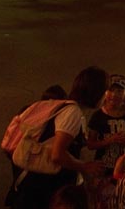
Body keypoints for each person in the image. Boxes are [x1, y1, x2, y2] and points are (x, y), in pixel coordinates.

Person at [9, 67, 107, 209]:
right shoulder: (72, 112)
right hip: (43, 188)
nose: (106, 96)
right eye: (104, 91)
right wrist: (84, 167)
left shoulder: (67, 108)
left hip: (36, 186)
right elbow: (57, 154)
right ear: (95, 93)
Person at [86, 76, 125, 209]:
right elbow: (90, 144)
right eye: (111, 90)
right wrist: (109, 141)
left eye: (119, 91)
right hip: (104, 168)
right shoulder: (98, 116)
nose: (114, 95)